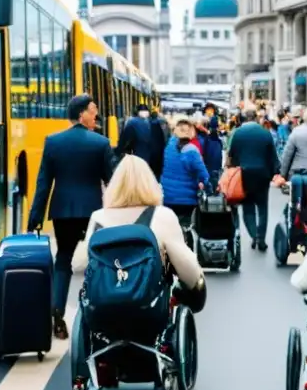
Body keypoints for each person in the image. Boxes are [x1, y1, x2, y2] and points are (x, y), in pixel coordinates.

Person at [28, 94, 115, 340]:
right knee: (97, 261)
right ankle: (95, 314)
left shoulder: (53, 142)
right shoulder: (100, 143)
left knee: (63, 259)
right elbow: (112, 181)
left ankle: (57, 311)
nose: (96, 114)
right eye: (93, 109)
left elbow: (43, 182)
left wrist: (35, 216)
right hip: (92, 212)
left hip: (63, 210)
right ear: (81, 114)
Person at [72, 154, 205, 294]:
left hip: (104, 305)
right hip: (149, 306)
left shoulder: (98, 217)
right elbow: (188, 271)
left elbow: (79, 265)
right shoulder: (162, 215)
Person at [226, 107, 280, 251]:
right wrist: (276, 172)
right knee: (262, 208)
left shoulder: (237, 134)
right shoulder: (265, 133)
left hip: (244, 175)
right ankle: (261, 239)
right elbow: (273, 157)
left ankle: (254, 235)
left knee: (248, 207)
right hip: (263, 175)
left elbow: (232, 155)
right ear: (256, 118)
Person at [160, 118, 210, 224]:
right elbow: (204, 175)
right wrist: (203, 183)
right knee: (186, 229)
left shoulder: (167, 148)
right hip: (187, 201)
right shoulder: (191, 150)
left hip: (167, 197)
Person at [116, 104, 156, 169]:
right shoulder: (154, 122)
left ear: (136, 112)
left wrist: (117, 153)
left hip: (139, 159)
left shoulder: (132, 122)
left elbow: (123, 141)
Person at [148, 107, 170, 180]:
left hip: (152, 149)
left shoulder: (149, 123)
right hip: (161, 147)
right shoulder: (163, 122)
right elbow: (167, 135)